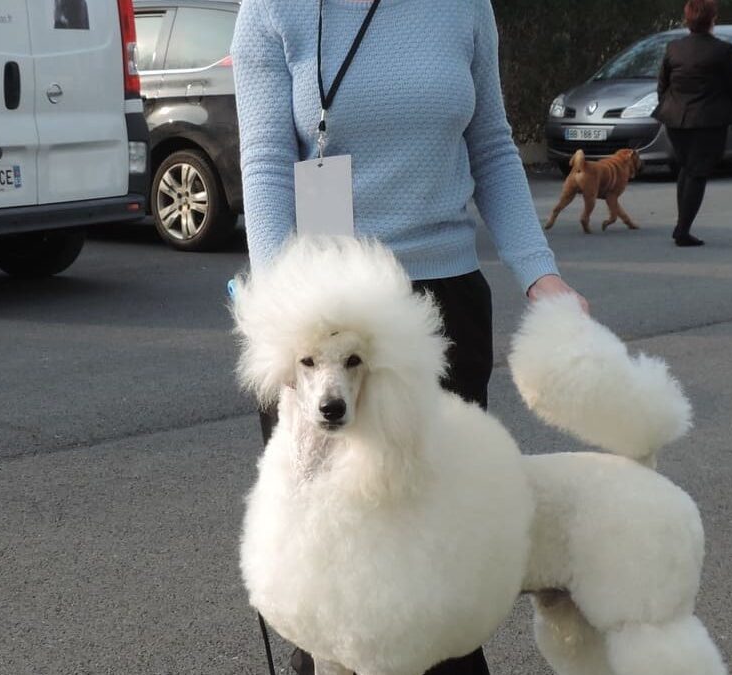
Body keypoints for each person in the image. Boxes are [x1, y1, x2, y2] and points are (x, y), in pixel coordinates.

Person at [230, 0, 586, 673]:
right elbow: (267, 161)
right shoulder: (273, 9)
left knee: (436, 564)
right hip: (325, 326)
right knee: (327, 585)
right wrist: (283, 315)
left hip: (439, 315)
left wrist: (540, 273)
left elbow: (492, 145)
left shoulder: (464, 6)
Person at [653, 0, 732, 247]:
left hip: (675, 119)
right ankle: (682, 231)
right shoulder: (722, 50)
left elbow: (663, 84)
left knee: (687, 169)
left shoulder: (674, 47)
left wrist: (669, 107)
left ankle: (681, 225)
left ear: (687, 19)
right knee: (697, 173)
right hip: (708, 122)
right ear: (712, 19)